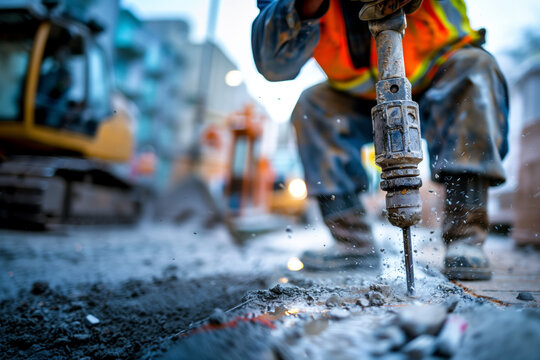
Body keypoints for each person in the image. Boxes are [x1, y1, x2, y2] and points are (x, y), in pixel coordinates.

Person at [251, 0, 509, 279]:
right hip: (361, 94)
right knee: (313, 106)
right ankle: (353, 243)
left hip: (440, 70)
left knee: (475, 70)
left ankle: (465, 237)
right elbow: (273, 65)